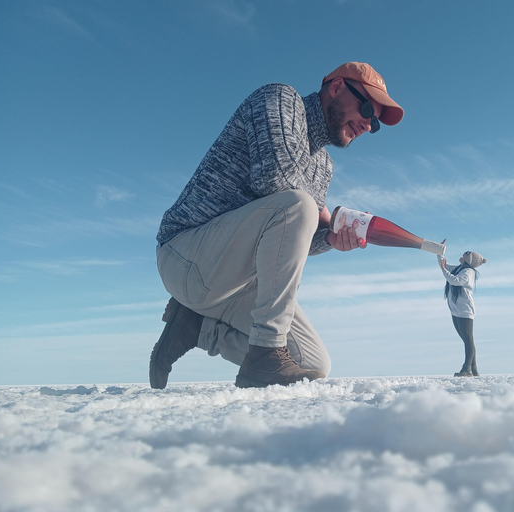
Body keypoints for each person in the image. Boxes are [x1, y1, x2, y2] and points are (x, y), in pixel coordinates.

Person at [149, 62, 404, 389]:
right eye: (368, 108)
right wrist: (322, 214)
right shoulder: (281, 99)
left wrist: (329, 237)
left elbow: (286, 239)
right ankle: (265, 353)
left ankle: (195, 327)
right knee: (299, 204)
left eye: (377, 124)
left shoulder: (322, 167)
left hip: (232, 283)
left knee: (313, 365)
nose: (369, 125)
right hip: (183, 257)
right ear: (337, 87)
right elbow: (273, 177)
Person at [438, 244, 487, 377]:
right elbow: (444, 266)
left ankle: (467, 369)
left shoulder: (468, 272)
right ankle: (474, 368)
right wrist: (439, 251)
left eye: (467, 253)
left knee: (468, 339)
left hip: (464, 310)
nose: (463, 254)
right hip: (456, 309)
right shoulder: (460, 268)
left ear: (469, 259)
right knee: (466, 339)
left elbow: (455, 281)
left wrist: (443, 270)